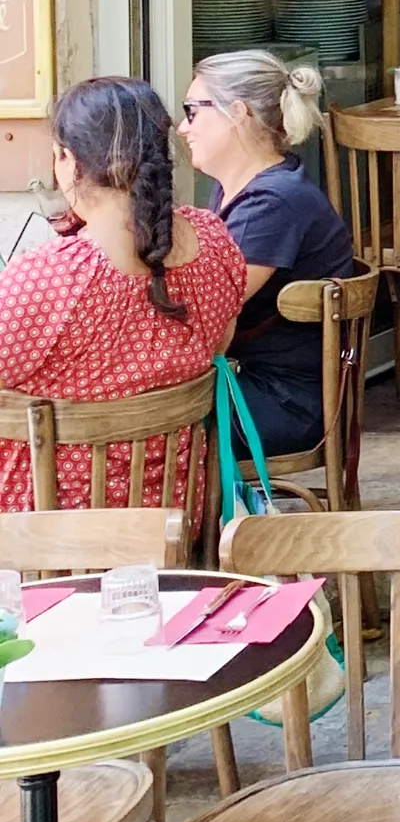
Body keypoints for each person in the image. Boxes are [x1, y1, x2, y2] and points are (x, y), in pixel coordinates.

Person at [0, 78, 246, 514]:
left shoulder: (49, 280)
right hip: (173, 522)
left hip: (48, 540)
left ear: (67, 160)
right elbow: (220, 345)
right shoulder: (214, 245)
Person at [176, 51, 358, 461]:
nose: (182, 127)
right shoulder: (238, 190)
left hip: (281, 402)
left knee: (141, 426)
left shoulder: (271, 204)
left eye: (192, 111)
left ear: (236, 113)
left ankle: (172, 526)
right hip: (252, 383)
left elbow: (207, 310)